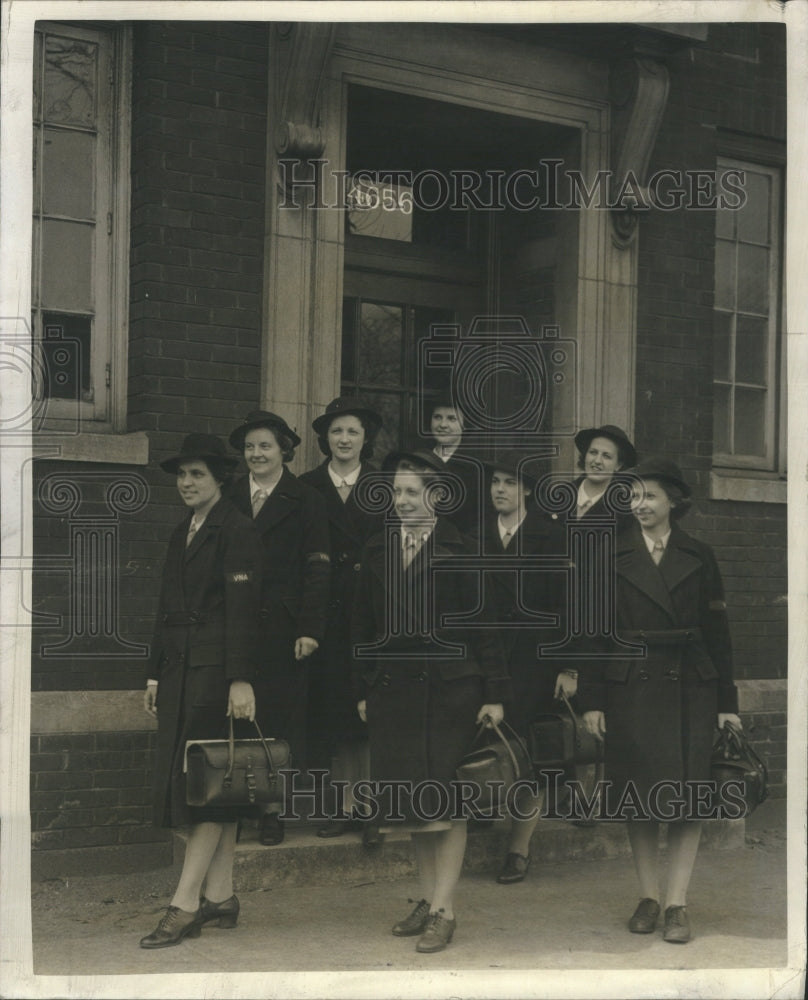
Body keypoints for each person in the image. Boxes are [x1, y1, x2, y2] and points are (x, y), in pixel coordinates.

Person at [351, 449, 511, 953]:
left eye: (411, 491)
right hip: (394, 691)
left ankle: (445, 908)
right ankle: (426, 897)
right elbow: (362, 625)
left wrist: (496, 694)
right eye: (395, 492)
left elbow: (488, 629)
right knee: (413, 805)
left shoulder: (463, 551)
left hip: (450, 689)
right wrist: (364, 685)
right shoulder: (376, 549)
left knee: (448, 803)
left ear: (436, 495)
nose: (400, 501)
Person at [578, 458, 742, 944]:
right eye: (633, 496)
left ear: (674, 501)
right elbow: (592, 634)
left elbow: (719, 632)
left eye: (650, 496)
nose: (640, 505)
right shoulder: (607, 553)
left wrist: (726, 701)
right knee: (639, 799)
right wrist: (593, 698)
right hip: (631, 684)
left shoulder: (700, 554)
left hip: (690, 683)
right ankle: (648, 896)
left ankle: (677, 903)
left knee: (688, 802)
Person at [141, 433, 261, 948]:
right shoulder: (182, 530)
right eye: (182, 475)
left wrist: (240, 677)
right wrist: (153, 671)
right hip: (180, 670)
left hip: (216, 674)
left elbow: (245, 611)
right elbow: (166, 603)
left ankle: (185, 903)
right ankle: (222, 896)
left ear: (219, 479)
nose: (187, 483)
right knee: (212, 783)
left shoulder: (238, 530)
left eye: (198, 475)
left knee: (207, 786)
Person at [227, 410, 330, 846]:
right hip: (234, 620)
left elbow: (318, 568)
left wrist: (309, 626)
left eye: (265, 446)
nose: (257, 454)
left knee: (277, 719)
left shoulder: (304, 498)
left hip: (283, 627)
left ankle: (272, 810)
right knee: (237, 713)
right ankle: (233, 805)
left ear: (284, 449)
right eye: (250, 447)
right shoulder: (229, 494)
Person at [478, 451, 571, 884]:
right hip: (484, 657)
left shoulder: (551, 537)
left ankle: (519, 847)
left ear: (528, 490)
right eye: (495, 482)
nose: (499, 490)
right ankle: (481, 810)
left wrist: (568, 666)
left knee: (529, 752)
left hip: (535, 660)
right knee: (483, 742)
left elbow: (569, 605)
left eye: (509, 483)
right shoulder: (474, 535)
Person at [299, 396, 385, 845]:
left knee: (369, 709)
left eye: (353, 431)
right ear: (325, 439)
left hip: (372, 608)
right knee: (334, 710)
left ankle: (372, 808)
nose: (344, 439)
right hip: (327, 611)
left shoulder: (384, 485)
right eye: (336, 431)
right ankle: (343, 805)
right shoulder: (307, 486)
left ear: (365, 438)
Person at [424, 393, 482, 536]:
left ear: (465, 425)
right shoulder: (417, 462)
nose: (443, 425)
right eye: (437, 417)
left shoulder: (475, 470)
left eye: (451, 418)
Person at [571, 424, 637, 528]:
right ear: (585, 456)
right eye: (593, 452)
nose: (597, 461)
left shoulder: (624, 512)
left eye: (606, 456)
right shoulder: (559, 495)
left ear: (618, 465)